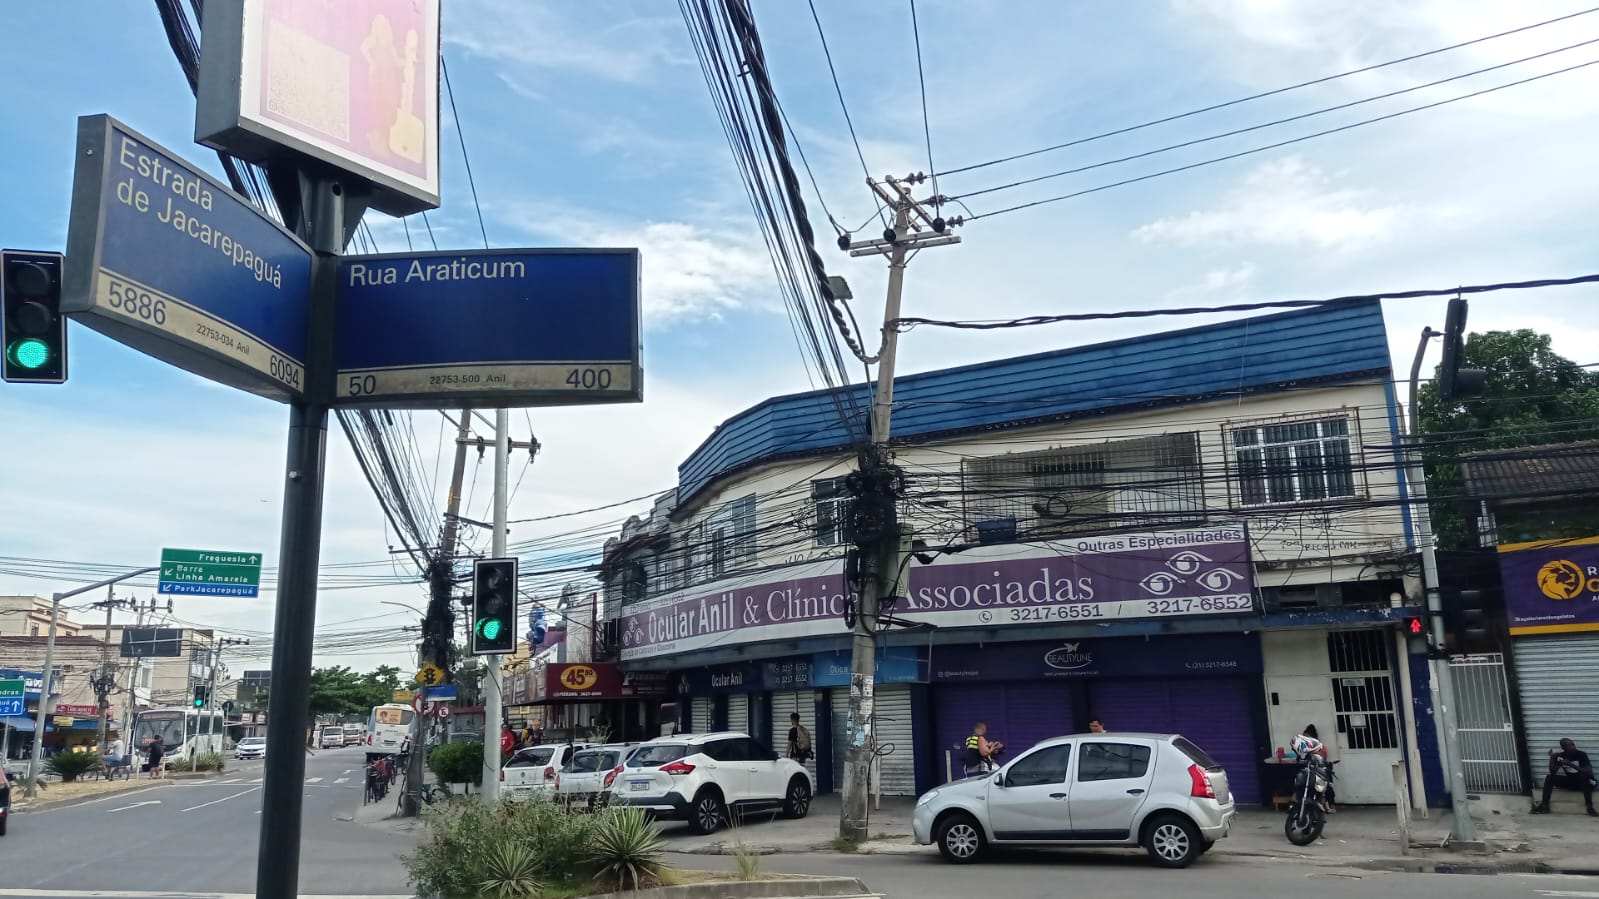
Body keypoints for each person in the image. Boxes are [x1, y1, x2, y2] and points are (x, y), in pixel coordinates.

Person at [1533, 737, 1597, 816]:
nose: (1572, 746)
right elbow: (1553, 771)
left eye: (1572, 744)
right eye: (1569, 745)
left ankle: (1590, 807)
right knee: (1549, 778)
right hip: (1572, 782)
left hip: (1588, 783)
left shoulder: (1581, 754)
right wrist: (1552, 758)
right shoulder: (1561, 756)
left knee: (1582, 775)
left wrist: (1571, 765)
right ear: (1563, 747)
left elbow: (1589, 772)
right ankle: (1545, 806)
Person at [1300, 725, 1335, 812]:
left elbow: (1323, 759)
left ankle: (1326, 805)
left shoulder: (1319, 746)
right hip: (1310, 769)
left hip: (1318, 770)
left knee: (1323, 786)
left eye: (1306, 736)